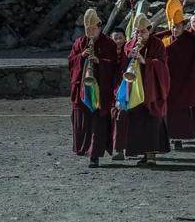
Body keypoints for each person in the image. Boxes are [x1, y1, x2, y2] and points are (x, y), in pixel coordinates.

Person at [157, 0, 195, 150]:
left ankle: (178, 138)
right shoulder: (165, 40)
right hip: (168, 82)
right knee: (168, 112)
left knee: (180, 112)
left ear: (183, 26)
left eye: (178, 27)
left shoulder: (191, 42)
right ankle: (169, 136)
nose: (175, 30)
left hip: (185, 82)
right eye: (172, 27)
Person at [68, 9, 118, 168]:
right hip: (83, 90)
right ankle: (85, 150)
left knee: (98, 122)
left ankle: (94, 155)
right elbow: (71, 62)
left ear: (100, 27)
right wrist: (82, 56)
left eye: (93, 29)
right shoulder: (79, 43)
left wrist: (99, 62)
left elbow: (114, 66)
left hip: (101, 90)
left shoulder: (108, 43)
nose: (90, 32)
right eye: (87, 29)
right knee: (86, 122)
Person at [124, 14, 171, 166]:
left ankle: (151, 155)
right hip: (136, 89)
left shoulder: (157, 44)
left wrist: (146, 61)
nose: (140, 35)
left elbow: (162, 65)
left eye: (143, 32)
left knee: (152, 122)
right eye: (137, 32)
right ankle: (143, 153)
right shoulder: (130, 44)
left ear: (149, 30)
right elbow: (123, 62)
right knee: (138, 121)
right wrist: (129, 56)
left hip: (152, 89)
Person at [110, 27, 129, 161]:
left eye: (120, 38)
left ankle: (120, 149)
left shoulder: (129, 52)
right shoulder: (107, 52)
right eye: (115, 38)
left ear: (125, 38)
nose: (117, 41)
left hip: (126, 89)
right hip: (109, 90)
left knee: (121, 116)